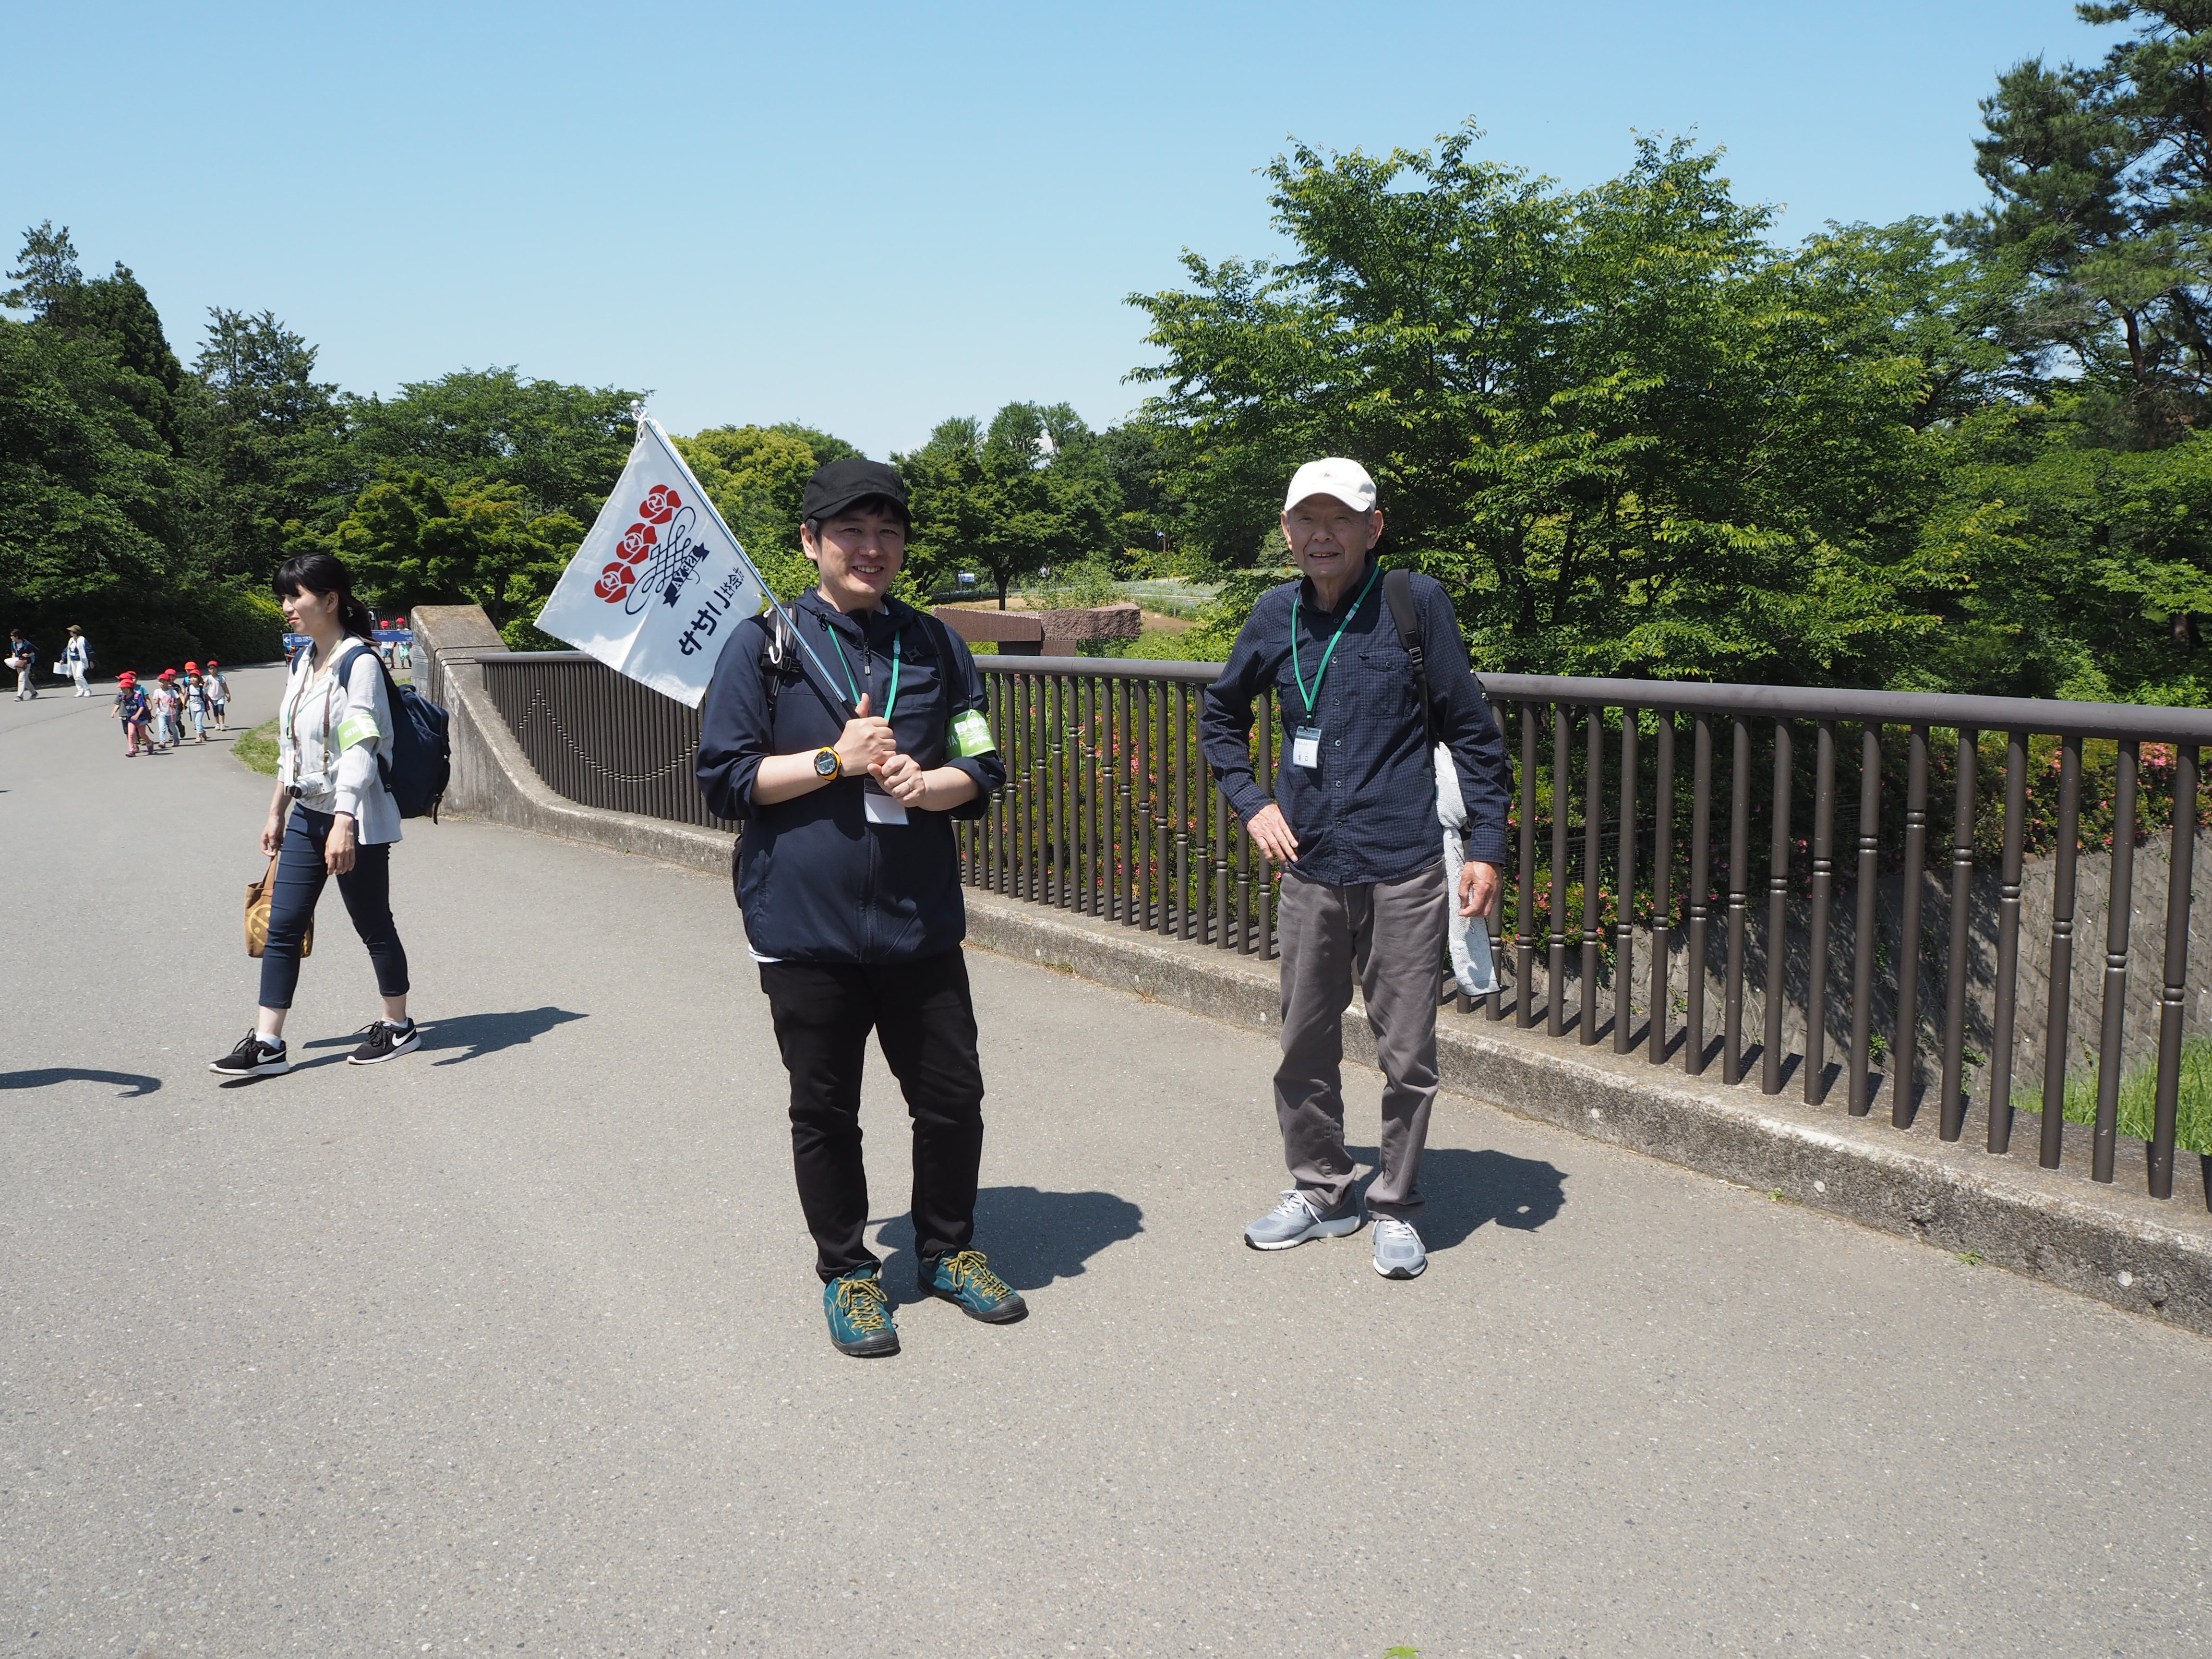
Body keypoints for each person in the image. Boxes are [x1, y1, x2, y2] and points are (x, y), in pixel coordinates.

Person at [696, 457, 1018, 1359]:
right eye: (851, 532)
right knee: (825, 1108)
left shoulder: (936, 646)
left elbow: (983, 767)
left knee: (953, 1099)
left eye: (888, 533)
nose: (871, 549)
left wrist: (932, 785)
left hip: (919, 921)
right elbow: (724, 782)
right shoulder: (762, 646)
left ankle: (947, 1250)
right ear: (811, 542)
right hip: (805, 927)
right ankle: (847, 1272)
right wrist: (834, 760)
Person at [1200, 458, 1511, 1282]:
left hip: (1403, 861)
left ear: (1373, 529)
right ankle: (1321, 1190)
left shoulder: (1415, 604)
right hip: (1309, 866)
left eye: (1340, 519)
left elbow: (1474, 734)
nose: (1322, 534)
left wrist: (1487, 847)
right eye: (1308, 519)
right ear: (1286, 530)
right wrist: (1251, 801)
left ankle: (1394, 1206)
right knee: (1301, 1043)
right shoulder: (1273, 615)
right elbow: (1219, 718)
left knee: (1406, 1051)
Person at [209, 551, 419, 1078]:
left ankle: (397, 1025)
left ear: (330, 600)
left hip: (357, 816)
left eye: (295, 596)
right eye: (284, 596)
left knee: (372, 922)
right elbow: (291, 747)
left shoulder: (359, 663)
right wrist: (277, 810)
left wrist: (345, 822)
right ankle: (268, 1042)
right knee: (282, 925)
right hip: (307, 813)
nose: (286, 607)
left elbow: (361, 746)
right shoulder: (304, 662)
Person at [110, 671, 150, 756]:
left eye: (124, 688)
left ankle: (149, 743)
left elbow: (142, 707)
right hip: (130, 719)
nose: (122, 690)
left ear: (129, 688)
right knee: (131, 734)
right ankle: (132, 750)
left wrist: (137, 715)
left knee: (142, 734)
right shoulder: (123, 697)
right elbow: (118, 704)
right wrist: (114, 712)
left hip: (140, 718)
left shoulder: (137, 696)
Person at [182, 662, 209, 744]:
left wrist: (208, 704)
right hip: (192, 706)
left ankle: (199, 737)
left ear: (199, 679)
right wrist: (184, 704)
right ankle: (203, 732)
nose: (193, 679)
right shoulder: (189, 688)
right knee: (196, 721)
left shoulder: (202, 689)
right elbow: (187, 696)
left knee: (198, 721)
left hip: (201, 706)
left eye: (195, 677)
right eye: (192, 677)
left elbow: (207, 697)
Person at [9, 628, 37, 700]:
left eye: (12, 636)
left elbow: (36, 651)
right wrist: (14, 655)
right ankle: (34, 693)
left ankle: (20, 696)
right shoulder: (14, 644)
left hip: (26, 663)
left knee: (22, 678)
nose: (11, 637)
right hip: (18, 663)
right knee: (25, 679)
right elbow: (14, 651)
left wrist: (28, 655)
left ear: (17, 636)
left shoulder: (27, 644)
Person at [63, 625, 91, 695]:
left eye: (71, 631)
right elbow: (67, 651)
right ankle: (80, 691)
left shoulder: (82, 640)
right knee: (75, 677)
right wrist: (63, 659)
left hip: (81, 661)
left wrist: (91, 661)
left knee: (79, 675)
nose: (70, 632)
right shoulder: (71, 640)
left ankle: (87, 690)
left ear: (75, 632)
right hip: (72, 661)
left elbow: (89, 650)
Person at [205, 660, 229, 729]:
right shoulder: (208, 678)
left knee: (221, 710)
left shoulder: (221, 678)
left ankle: (222, 724)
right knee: (215, 711)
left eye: (214, 668)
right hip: (212, 697)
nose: (212, 670)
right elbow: (205, 687)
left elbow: (225, 687)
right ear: (208, 670)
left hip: (221, 696)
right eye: (210, 669)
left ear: (217, 669)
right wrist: (205, 695)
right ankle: (217, 724)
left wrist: (228, 695)